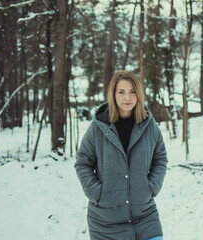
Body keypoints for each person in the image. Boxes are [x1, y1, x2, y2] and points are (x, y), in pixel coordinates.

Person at [75, 70, 168, 240]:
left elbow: (160, 158)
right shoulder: (98, 127)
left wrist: (152, 186)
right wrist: (96, 192)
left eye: (133, 92)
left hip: (145, 217)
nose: (127, 98)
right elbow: (83, 163)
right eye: (122, 92)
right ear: (113, 94)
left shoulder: (149, 125)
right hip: (106, 222)